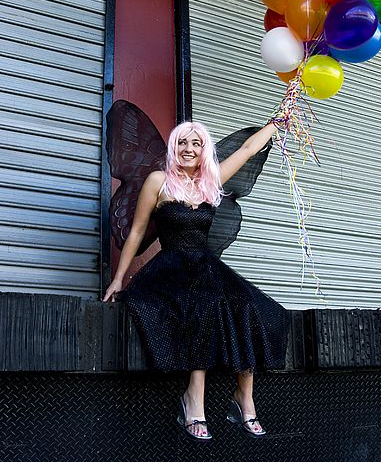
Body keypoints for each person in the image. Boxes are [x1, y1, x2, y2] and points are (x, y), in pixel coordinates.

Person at [103, 118, 289, 441]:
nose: (189, 149)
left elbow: (247, 149)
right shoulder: (158, 181)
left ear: (204, 150)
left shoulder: (210, 181)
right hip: (171, 267)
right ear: (174, 148)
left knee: (248, 305)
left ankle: (244, 396)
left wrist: (279, 120)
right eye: (182, 143)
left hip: (205, 266)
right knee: (203, 304)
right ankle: (194, 399)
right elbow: (136, 231)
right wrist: (119, 278)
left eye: (196, 143)